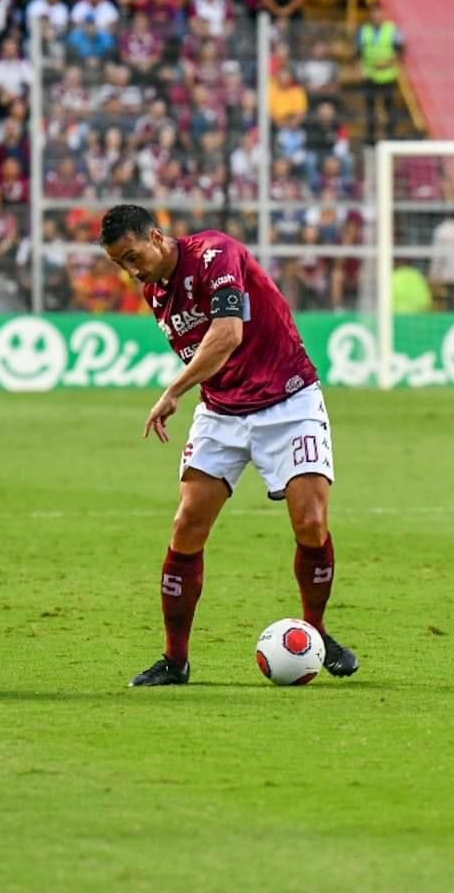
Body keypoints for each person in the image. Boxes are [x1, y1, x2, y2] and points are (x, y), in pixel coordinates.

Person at [99, 204, 359, 687]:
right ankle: (175, 661)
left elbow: (227, 333)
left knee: (311, 521)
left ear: (156, 236)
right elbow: (209, 353)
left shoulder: (215, 253)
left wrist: (173, 391)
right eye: (121, 264)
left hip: (288, 399)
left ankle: (317, 634)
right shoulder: (155, 291)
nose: (131, 270)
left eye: (133, 256)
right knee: (187, 524)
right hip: (222, 411)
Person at [357, 2, 403, 144]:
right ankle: (371, 138)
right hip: (370, 75)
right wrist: (361, 68)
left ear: (383, 14)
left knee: (389, 109)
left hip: (388, 75)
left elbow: (400, 51)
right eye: (373, 13)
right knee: (370, 109)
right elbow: (358, 52)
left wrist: (386, 63)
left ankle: (391, 138)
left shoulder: (393, 30)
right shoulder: (364, 30)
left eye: (379, 13)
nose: (376, 16)